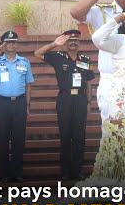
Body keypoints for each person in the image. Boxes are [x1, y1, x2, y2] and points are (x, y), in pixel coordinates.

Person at [34, 30, 94, 181]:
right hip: (65, 99)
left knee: (79, 137)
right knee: (66, 136)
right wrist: (54, 44)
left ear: (79, 43)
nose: (73, 43)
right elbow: (37, 53)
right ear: (66, 43)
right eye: (70, 41)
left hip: (80, 100)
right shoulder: (58, 58)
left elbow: (89, 82)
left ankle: (77, 171)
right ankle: (66, 172)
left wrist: (89, 101)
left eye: (76, 40)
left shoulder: (86, 60)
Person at [0, 31, 33, 183]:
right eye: (7, 42)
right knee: (2, 138)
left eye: (13, 42)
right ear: (3, 44)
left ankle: (16, 172)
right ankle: (4, 173)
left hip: (19, 103)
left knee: (18, 139)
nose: (11, 44)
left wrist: (28, 105)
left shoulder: (24, 62)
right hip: (2, 103)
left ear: (17, 44)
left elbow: (28, 85)